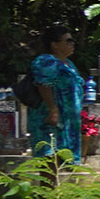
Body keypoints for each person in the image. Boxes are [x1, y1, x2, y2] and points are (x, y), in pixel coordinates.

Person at [27, 25, 84, 159]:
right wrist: (53, 110)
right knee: (49, 156)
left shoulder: (68, 63)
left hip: (69, 120)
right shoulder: (46, 61)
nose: (72, 44)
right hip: (51, 117)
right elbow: (43, 85)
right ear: (55, 45)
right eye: (68, 41)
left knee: (64, 158)